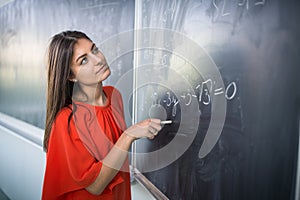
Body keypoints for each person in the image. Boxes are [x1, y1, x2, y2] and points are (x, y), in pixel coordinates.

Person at [42, 30, 162, 200]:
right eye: (83, 60)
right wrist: (128, 136)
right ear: (71, 76)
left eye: (95, 49)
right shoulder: (67, 120)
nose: (98, 60)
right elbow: (95, 186)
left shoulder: (114, 96)